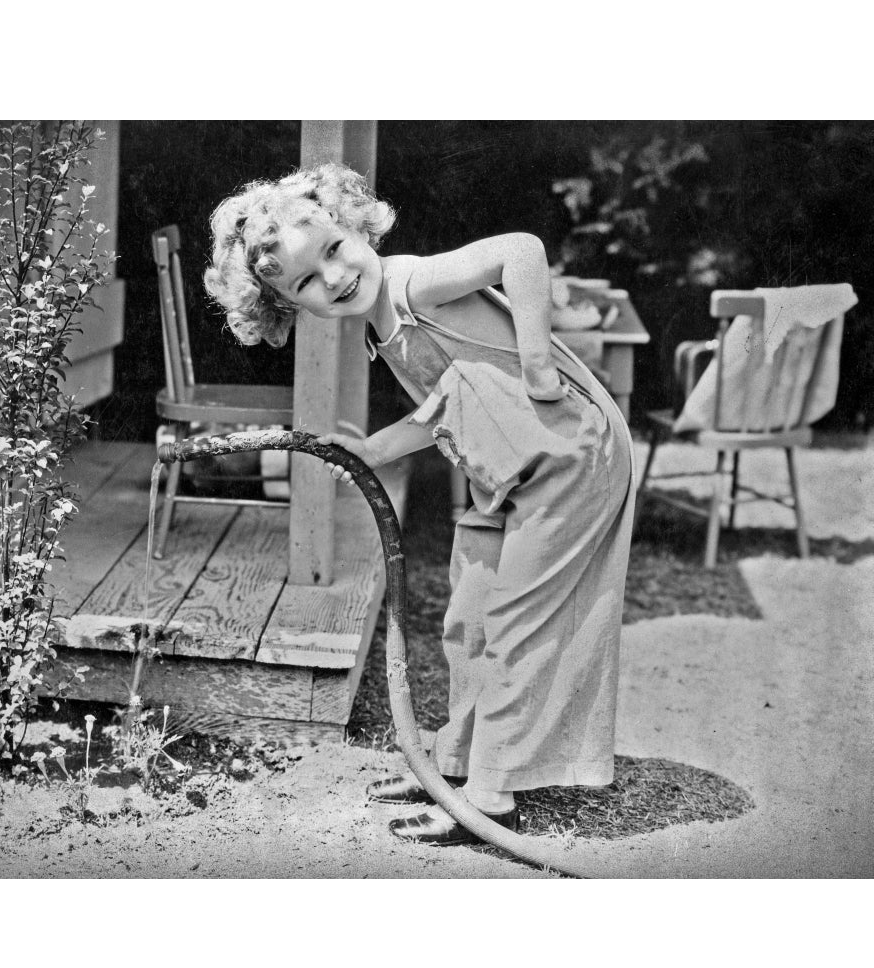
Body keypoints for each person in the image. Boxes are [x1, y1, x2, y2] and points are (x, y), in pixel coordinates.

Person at [204, 163, 635, 846]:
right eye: (308, 281)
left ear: (353, 225)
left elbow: (520, 250)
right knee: (468, 615)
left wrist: (536, 360)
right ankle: (452, 763)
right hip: (510, 467)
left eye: (335, 250)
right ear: (291, 307)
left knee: (517, 619)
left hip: (570, 456)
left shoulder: (409, 283)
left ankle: (490, 794)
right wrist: (372, 449)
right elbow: (448, 404)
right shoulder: (381, 324)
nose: (336, 276)